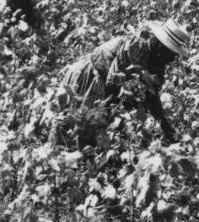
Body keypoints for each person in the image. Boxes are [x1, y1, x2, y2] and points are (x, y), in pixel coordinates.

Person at [50, 18, 190, 145]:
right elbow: (114, 84)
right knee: (76, 127)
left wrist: (167, 129)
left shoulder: (156, 59)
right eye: (171, 53)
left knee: (93, 131)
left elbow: (152, 94)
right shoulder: (138, 48)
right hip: (90, 78)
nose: (171, 59)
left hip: (104, 82)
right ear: (161, 46)